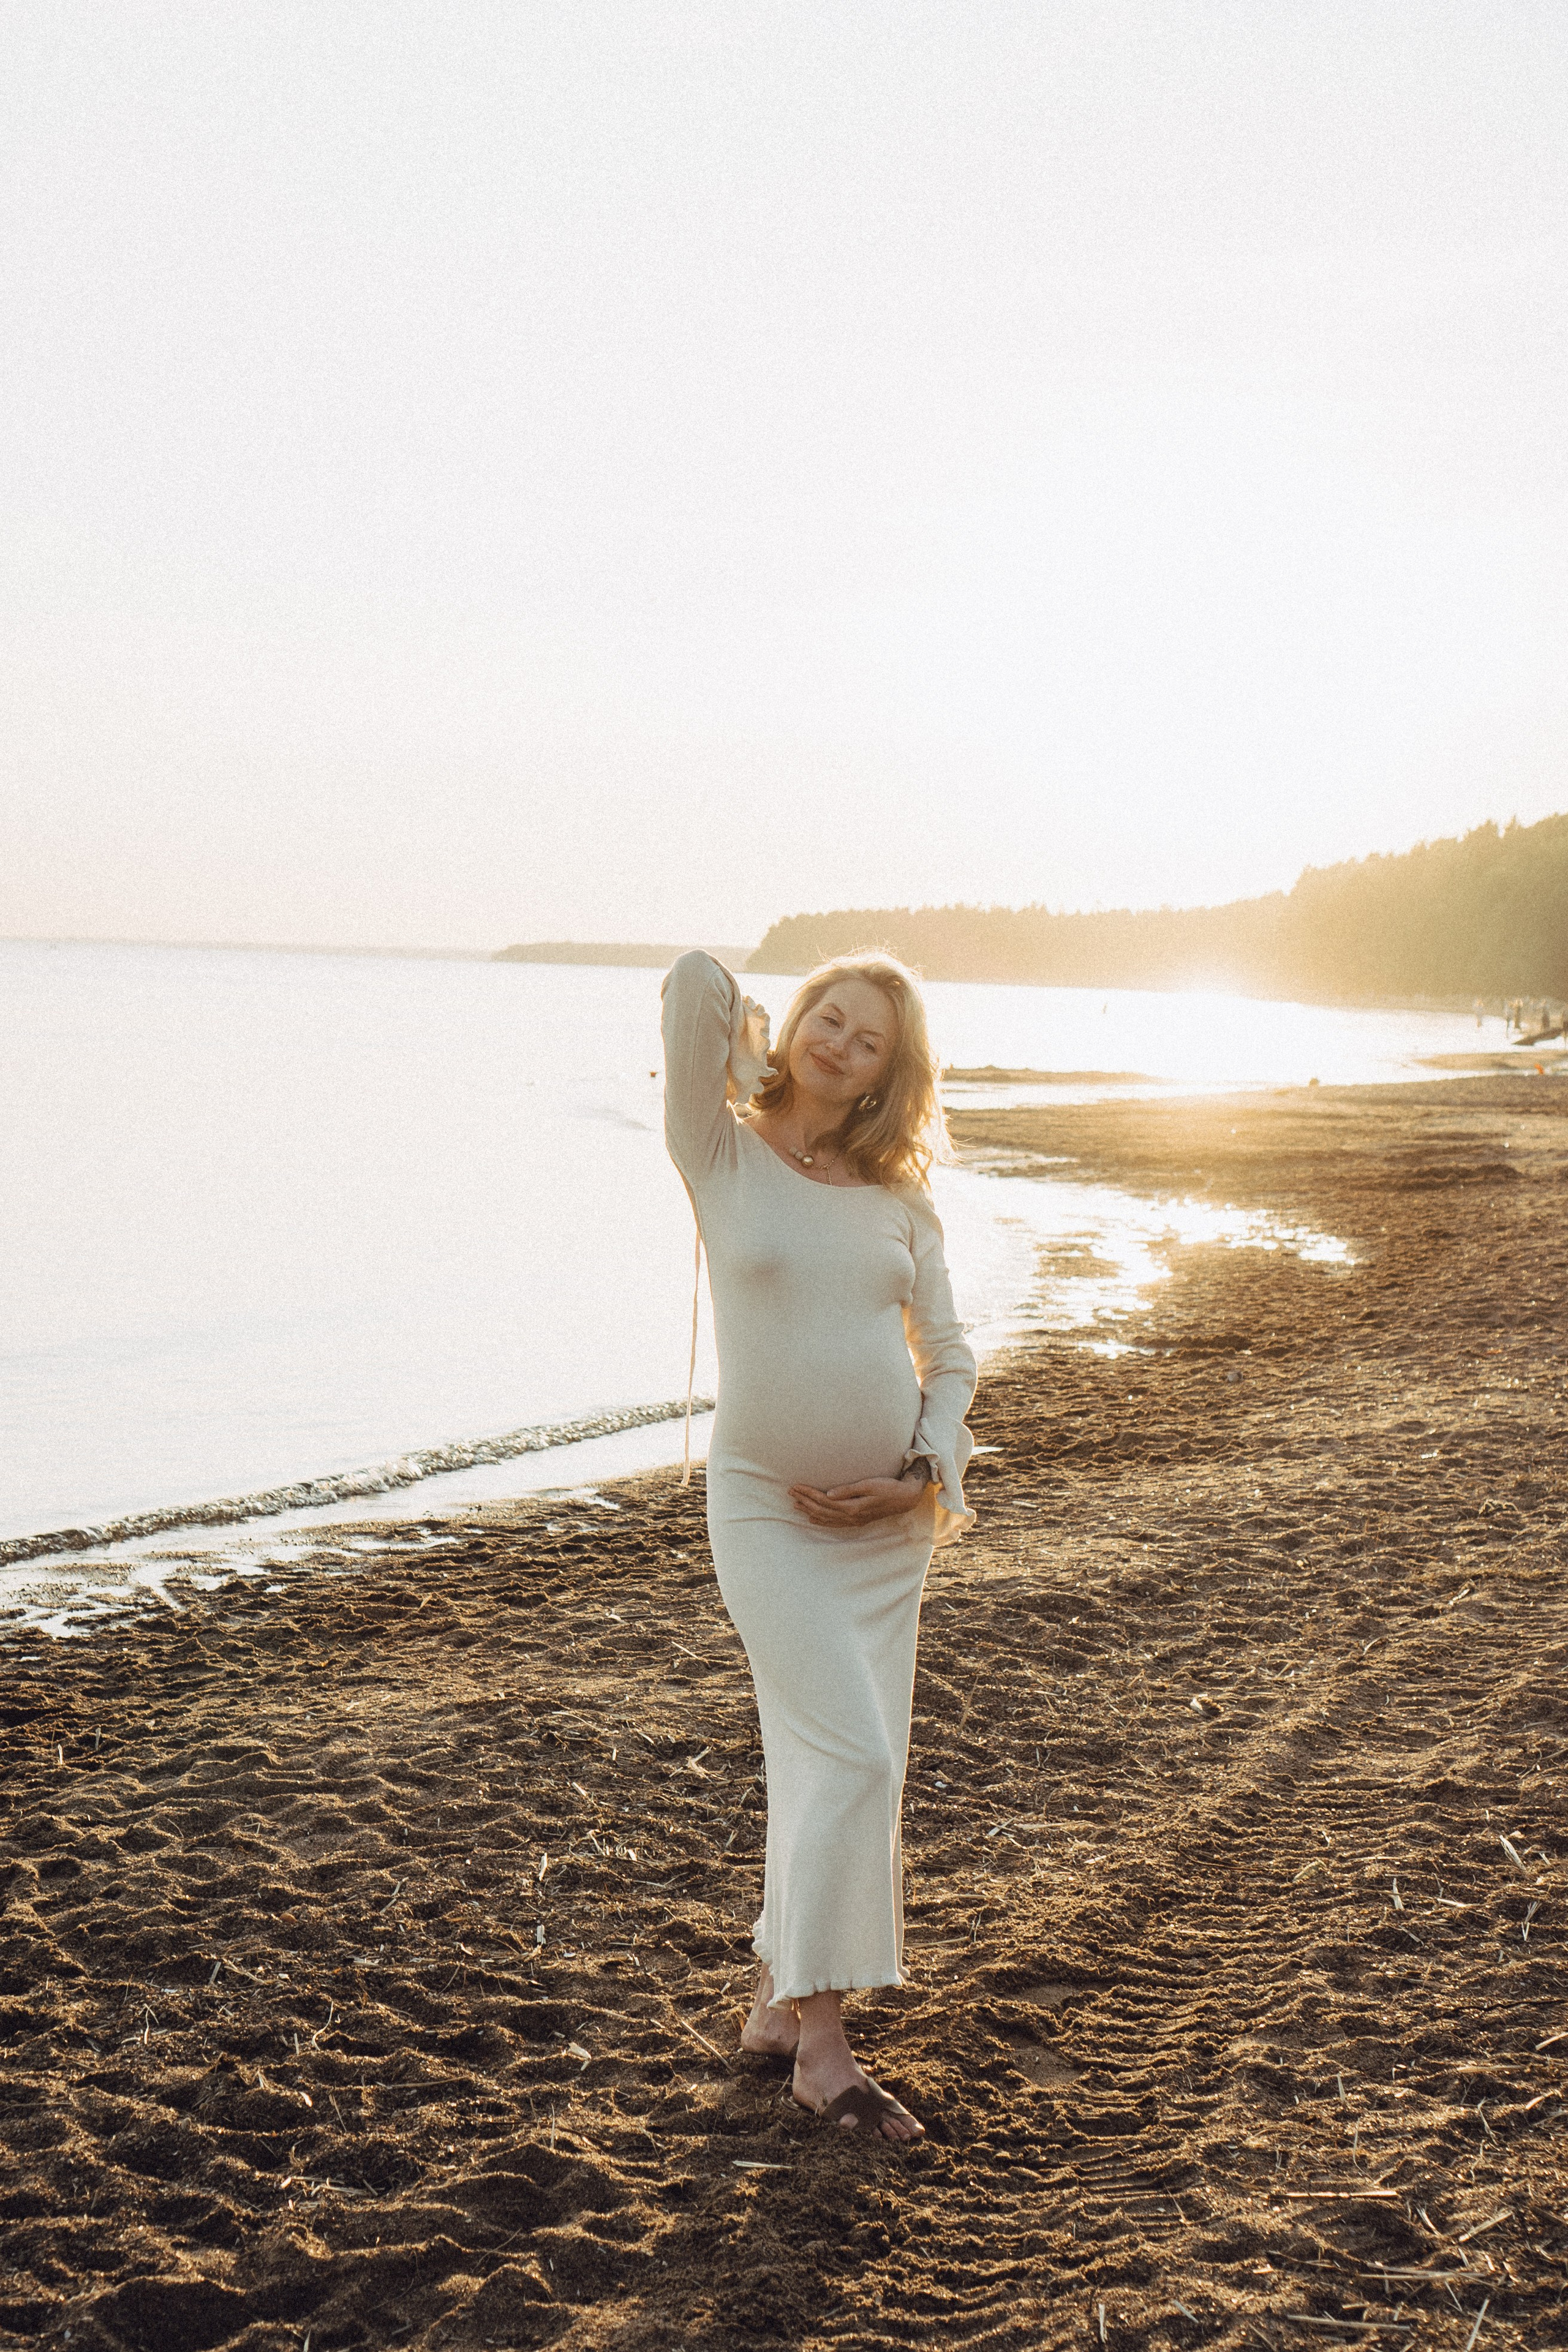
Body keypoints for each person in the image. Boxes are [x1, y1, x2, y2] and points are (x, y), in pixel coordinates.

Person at [661, 949, 978, 2141]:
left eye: (869, 1043)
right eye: (826, 1019)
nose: (841, 1045)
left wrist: (916, 1474)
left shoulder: (903, 1206)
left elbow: (949, 1363)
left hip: (887, 1537)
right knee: (856, 1760)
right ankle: (824, 2050)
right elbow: (689, 981)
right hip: (761, 1509)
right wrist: (741, 1039)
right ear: (794, 1022)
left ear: (888, 1079)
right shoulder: (718, 1152)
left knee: (823, 1763)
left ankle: (771, 2011)